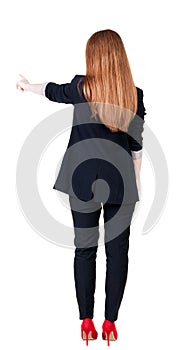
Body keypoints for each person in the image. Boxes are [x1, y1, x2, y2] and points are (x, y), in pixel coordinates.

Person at [16, 29, 146, 346]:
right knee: (118, 255)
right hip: (120, 185)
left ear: (93, 58)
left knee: (84, 250)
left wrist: (26, 85)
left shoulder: (80, 87)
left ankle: (86, 321)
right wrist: (135, 185)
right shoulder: (134, 94)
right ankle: (110, 324)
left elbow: (51, 90)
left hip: (82, 181)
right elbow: (136, 147)